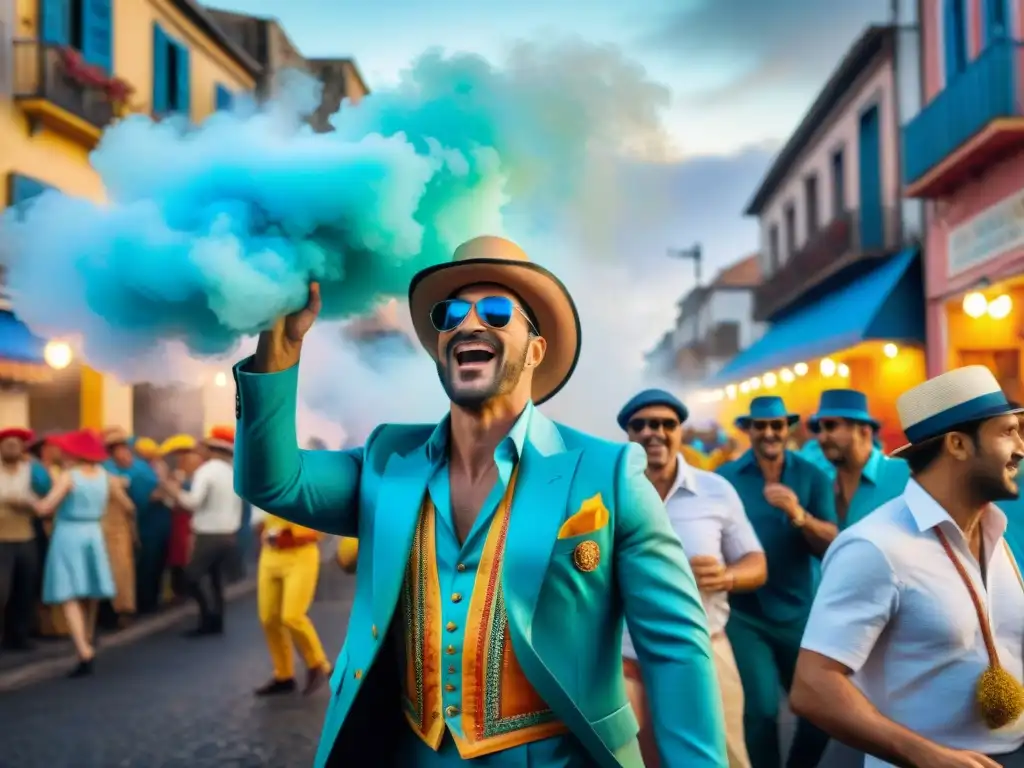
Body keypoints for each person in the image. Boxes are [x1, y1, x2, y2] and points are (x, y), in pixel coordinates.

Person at [234, 236, 727, 767]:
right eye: (450, 315)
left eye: (495, 311)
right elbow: (273, 483)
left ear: (535, 350)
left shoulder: (609, 473)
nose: (468, 324)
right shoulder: (386, 458)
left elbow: (675, 648)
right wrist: (278, 351)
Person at [792, 366, 1024, 768]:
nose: (1020, 447)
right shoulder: (875, 546)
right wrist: (927, 757)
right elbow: (812, 686)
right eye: (1007, 432)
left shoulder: (994, 532)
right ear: (957, 444)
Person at [619, 389, 765, 768]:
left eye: (665, 424)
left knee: (724, 757)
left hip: (704, 649)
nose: (653, 432)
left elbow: (756, 562)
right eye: (641, 425)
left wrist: (726, 576)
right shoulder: (609, 492)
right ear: (628, 434)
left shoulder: (715, 490)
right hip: (627, 660)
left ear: (680, 431)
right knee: (632, 760)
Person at [716, 395, 837, 768]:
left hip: (798, 611)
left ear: (788, 429)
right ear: (748, 430)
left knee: (821, 712)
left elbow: (832, 543)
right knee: (761, 712)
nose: (769, 433)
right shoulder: (725, 479)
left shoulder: (812, 476)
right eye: (760, 426)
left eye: (776, 425)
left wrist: (799, 514)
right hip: (745, 614)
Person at [39, 429, 134, 677]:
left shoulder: (68, 477)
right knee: (91, 590)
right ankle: (88, 637)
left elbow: (45, 508)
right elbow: (128, 506)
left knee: (69, 593)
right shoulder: (106, 477)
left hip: (69, 533)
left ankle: (83, 649)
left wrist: (26, 501)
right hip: (94, 532)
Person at [170, 429, 242, 637]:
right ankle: (217, 620)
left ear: (212, 449)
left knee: (191, 578)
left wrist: (173, 490)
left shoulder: (206, 471)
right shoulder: (232, 472)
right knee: (215, 579)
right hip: (229, 534)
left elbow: (192, 502)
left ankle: (207, 618)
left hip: (208, 534)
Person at [253, 508, 332, 697]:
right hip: (270, 556)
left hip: (301, 556)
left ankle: (320, 665)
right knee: (269, 619)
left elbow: (320, 528)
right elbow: (258, 522)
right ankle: (284, 675)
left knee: (292, 616)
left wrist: (292, 536)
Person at [806, 389, 910, 530]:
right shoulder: (821, 483)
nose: (821, 438)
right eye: (818, 429)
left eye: (831, 426)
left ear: (864, 431)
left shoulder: (903, 474)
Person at [103, 429, 170, 615]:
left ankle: (150, 602)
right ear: (111, 452)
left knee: (154, 562)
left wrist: (162, 489)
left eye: (125, 447)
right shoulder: (108, 469)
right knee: (131, 566)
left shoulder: (141, 466)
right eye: (119, 449)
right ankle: (131, 605)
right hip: (126, 524)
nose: (124, 452)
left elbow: (159, 486)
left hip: (154, 520)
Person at [0, 427, 42, 651]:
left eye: (15, 445)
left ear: (22, 449)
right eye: (7, 444)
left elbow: (40, 498)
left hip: (25, 535)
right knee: (2, 590)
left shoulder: (29, 471)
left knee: (24, 589)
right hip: (2, 538)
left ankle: (18, 636)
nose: (11, 448)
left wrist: (29, 504)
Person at [98, 428, 139, 627]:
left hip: (110, 528)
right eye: (123, 449)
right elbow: (128, 506)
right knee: (119, 572)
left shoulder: (110, 469)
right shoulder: (109, 472)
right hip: (114, 530)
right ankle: (120, 611)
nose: (127, 453)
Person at [160, 434, 202, 600]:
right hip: (180, 519)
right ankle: (179, 588)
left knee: (187, 553)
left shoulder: (197, 477)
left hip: (189, 518)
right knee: (178, 554)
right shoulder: (178, 475)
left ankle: (185, 588)